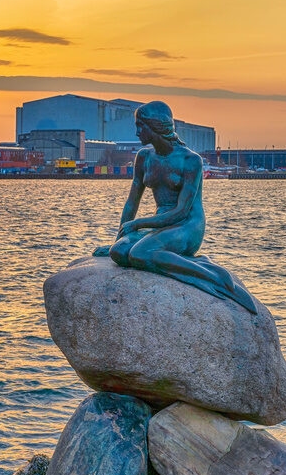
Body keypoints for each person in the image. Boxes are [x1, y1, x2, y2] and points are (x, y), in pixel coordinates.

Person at [93, 100, 257, 314]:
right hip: (160, 226)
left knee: (140, 253)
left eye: (140, 126)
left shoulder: (190, 160)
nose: (137, 132)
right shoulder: (144, 157)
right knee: (119, 252)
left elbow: (181, 211)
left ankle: (214, 275)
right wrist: (118, 238)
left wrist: (138, 224)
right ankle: (180, 260)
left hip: (187, 226)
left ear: (156, 126)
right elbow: (132, 202)